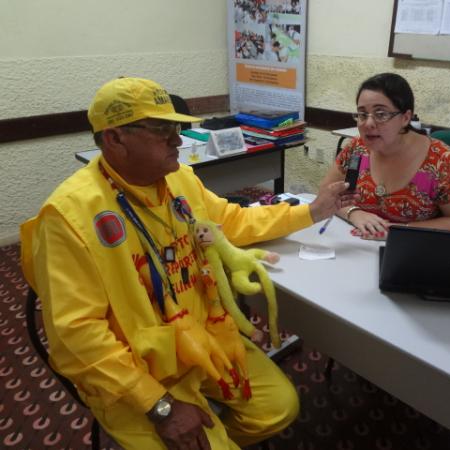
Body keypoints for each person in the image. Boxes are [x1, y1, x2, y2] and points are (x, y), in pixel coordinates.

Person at [20, 77, 354, 450]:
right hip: (136, 367)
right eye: (162, 130)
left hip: (202, 339)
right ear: (114, 139)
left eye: (176, 128)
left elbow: (232, 222)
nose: (177, 141)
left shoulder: (179, 178)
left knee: (278, 408)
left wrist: (310, 212)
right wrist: (157, 406)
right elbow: (77, 336)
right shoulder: (69, 217)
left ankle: (215, 434)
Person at [320, 72, 450, 239]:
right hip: (358, 246)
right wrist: (354, 213)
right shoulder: (357, 149)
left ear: (405, 118)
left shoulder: (443, 161)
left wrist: (400, 231)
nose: (368, 124)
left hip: (412, 251)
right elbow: (326, 193)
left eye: (380, 114)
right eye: (362, 114)